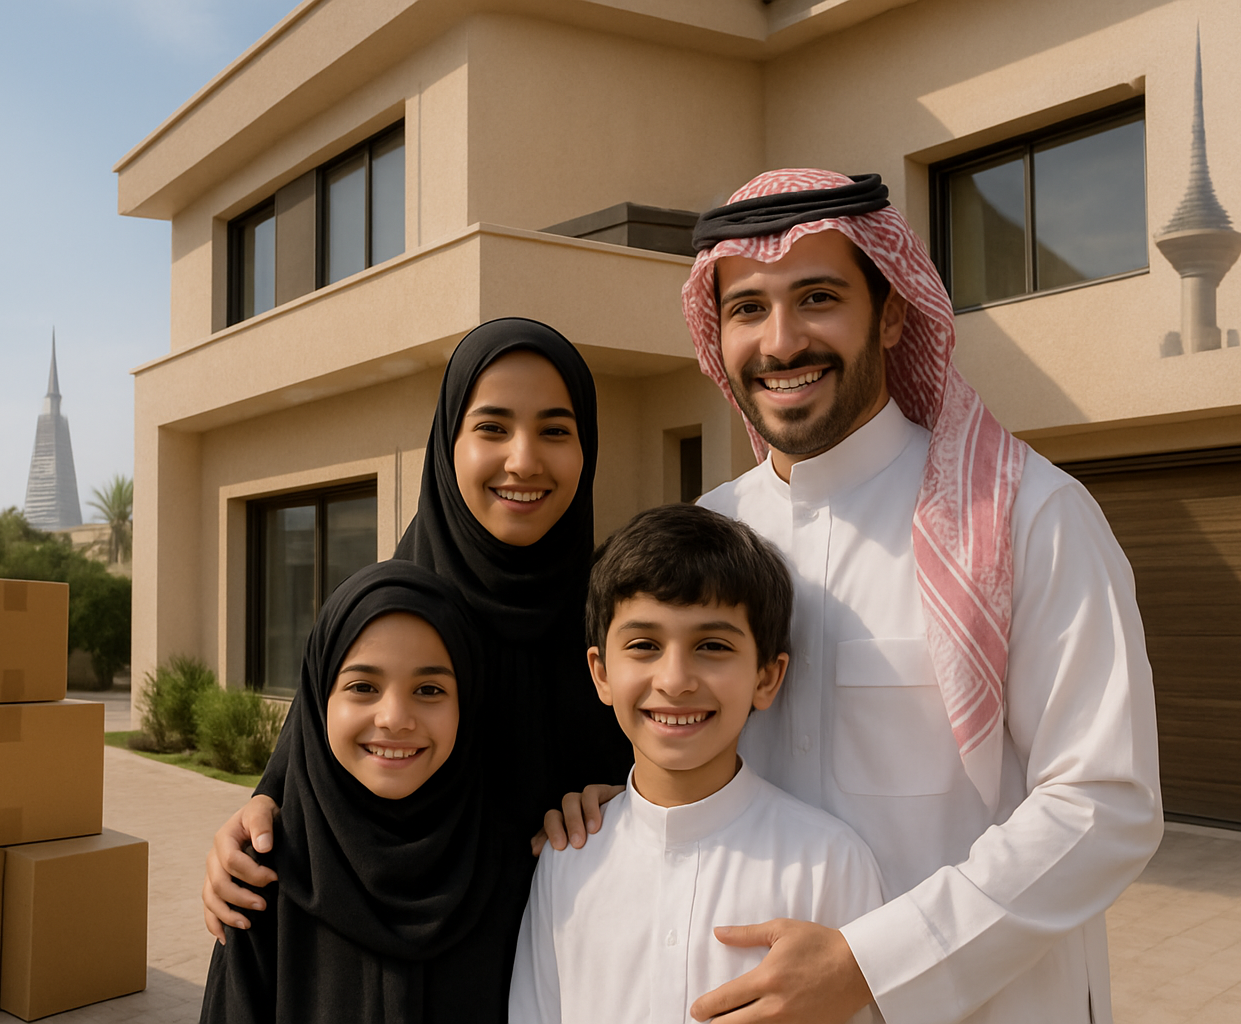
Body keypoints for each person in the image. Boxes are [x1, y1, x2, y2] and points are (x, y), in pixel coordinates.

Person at [547, 169, 1162, 1023]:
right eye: (748, 308)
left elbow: (1104, 803)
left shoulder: (1025, 514)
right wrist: (623, 803)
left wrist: (874, 965)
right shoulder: (713, 529)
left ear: (895, 311)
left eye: (819, 297)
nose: (782, 340)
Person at [202, 318, 630, 939]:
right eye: (491, 427)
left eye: (555, 430)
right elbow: (292, 796)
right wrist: (243, 837)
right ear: (447, 443)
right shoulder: (384, 616)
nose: (524, 459)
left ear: (586, 448)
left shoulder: (622, 628)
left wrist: (635, 811)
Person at [507, 503, 884, 1024]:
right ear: (600, 673)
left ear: (766, 677)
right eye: (644, 645)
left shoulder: (829, 863)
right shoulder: (569, 859)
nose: (676, 679)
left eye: (712, 645)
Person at [198, 559, 532, 1024]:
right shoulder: (263, 876)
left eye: (431, 689)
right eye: (362, 686)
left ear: (468, 703)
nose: (394, 717)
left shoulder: (513, 868)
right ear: (318, 701)